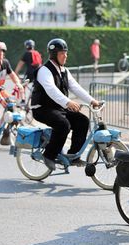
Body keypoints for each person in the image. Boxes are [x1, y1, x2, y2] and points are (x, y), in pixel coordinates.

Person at [31, 38, 100, 171]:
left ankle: (74, 156)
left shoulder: (64, 71)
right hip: (42, 109)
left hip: (57, 108)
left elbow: (76, 87)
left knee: (83, 121)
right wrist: (67, 102)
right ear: (54, 54)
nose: (65, 56)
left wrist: (92, 100)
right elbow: (51, 89)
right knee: (63, 125)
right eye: (62, 53)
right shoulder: (44, 70)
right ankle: (49, 155)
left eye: (66, 53)